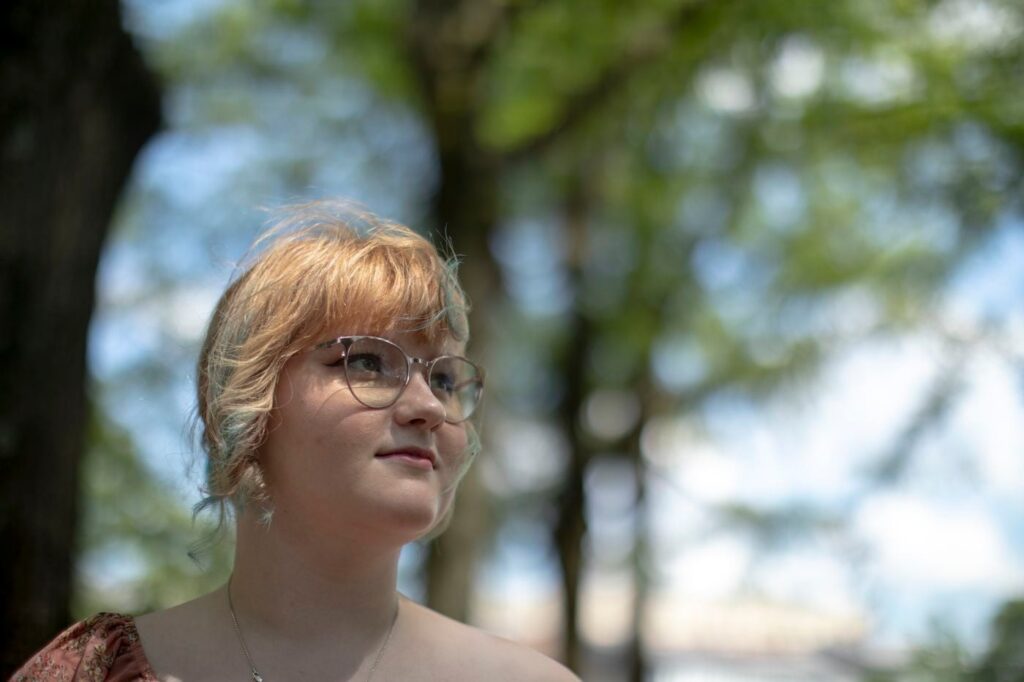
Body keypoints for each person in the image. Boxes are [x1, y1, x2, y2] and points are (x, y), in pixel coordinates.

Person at [14, 201, 579, 681]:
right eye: (365, 362)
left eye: (444, 379)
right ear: (245, 402)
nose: (428, 407)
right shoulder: (93, 671)